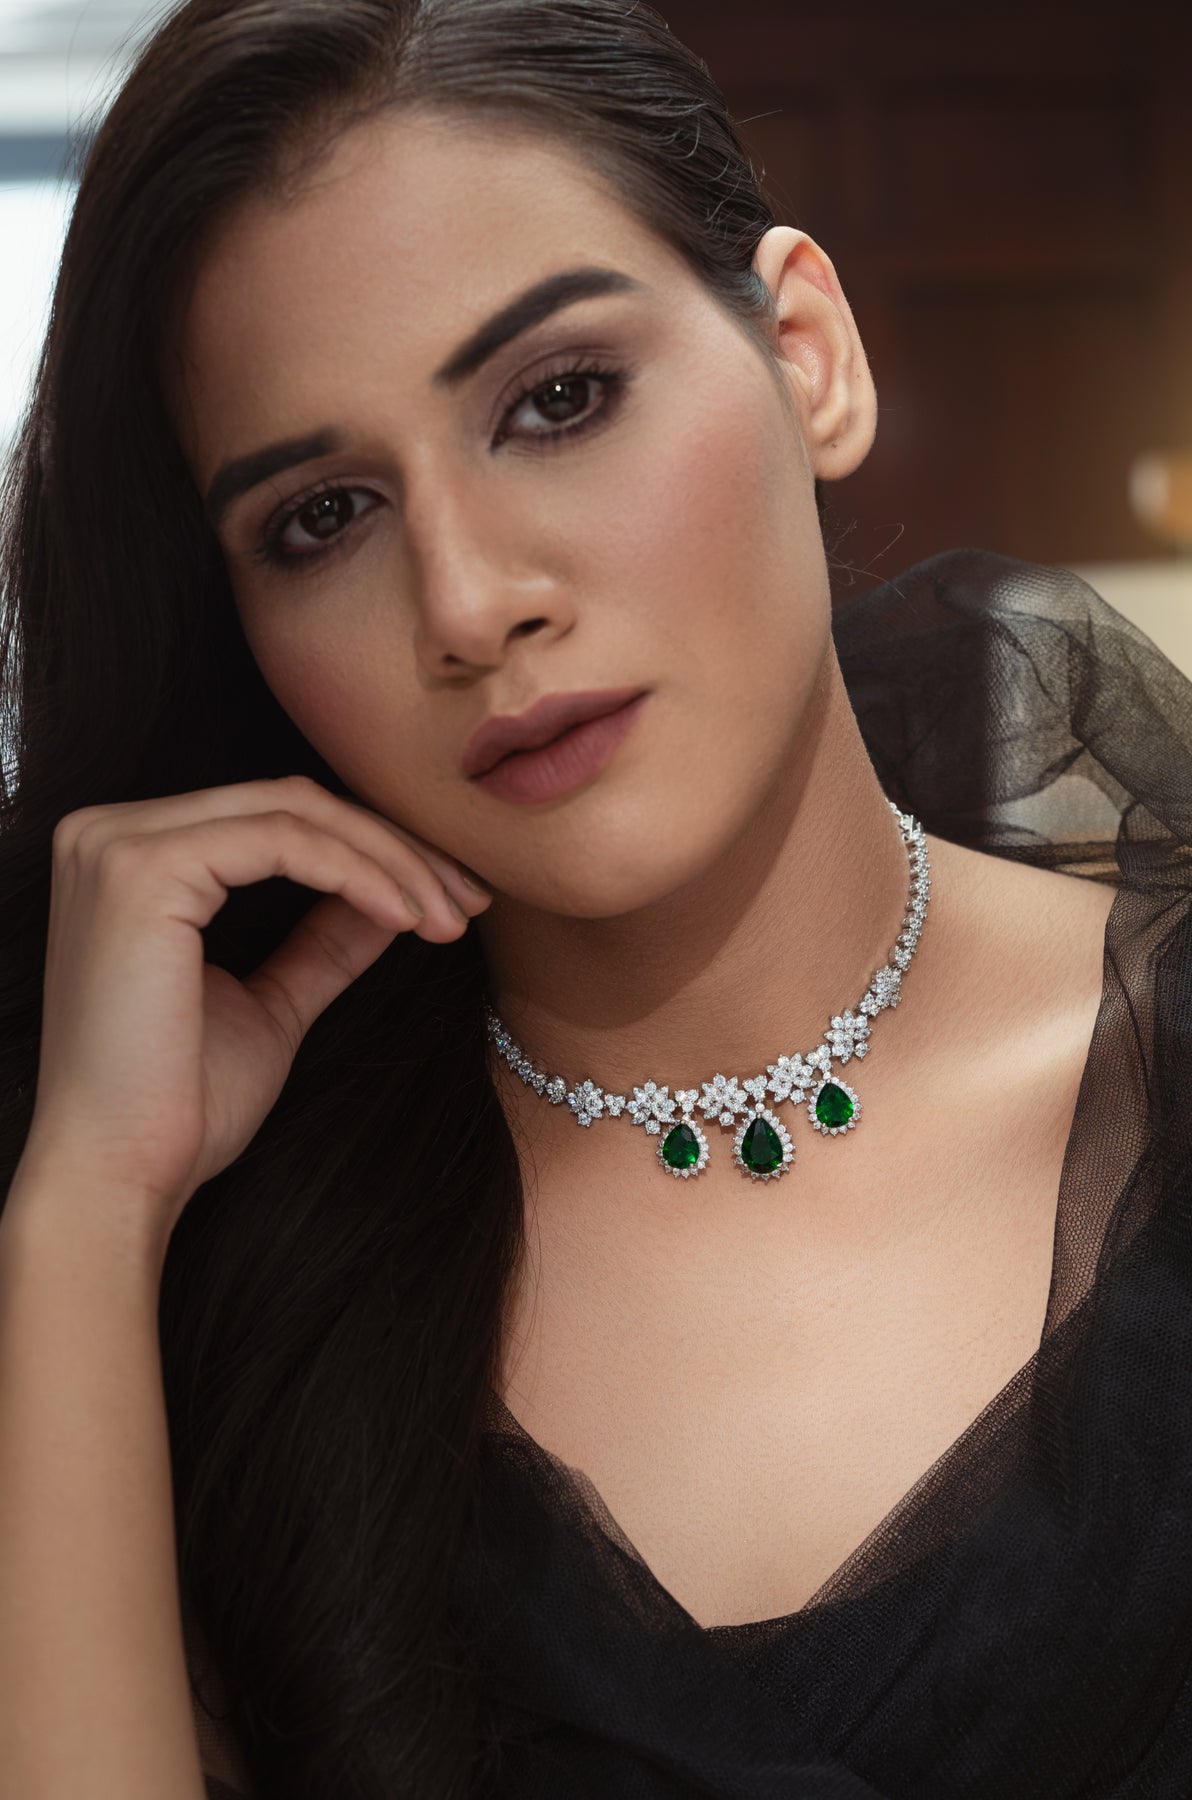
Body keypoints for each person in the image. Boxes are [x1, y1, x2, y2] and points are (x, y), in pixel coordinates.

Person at [0, 0, 1189, 1794]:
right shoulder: (216, 1276)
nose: (470, 605)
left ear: (806, 357)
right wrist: (86, 1215)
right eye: (323, 516)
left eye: (558, 400)